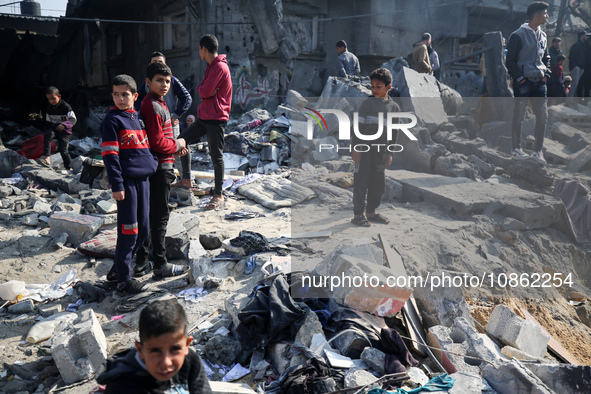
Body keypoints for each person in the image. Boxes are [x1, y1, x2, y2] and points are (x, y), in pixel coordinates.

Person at [101, 75, 157, 294]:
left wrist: (152, 163)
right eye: (116, 94)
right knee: (129, 229)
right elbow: (110, 155)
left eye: (125, 94)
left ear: (135, 96)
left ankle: (116, 270)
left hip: (144, 180)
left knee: (143, 228)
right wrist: (117, 185)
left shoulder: (138, 118)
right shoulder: (112, 120)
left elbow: (147, 147)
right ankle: (124, 280)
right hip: (126, 182)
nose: (120, 98)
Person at [136, 62, 189, 279]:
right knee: (159, 217)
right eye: (159, 80)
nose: (164, 84)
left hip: (164, 163)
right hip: (159, 167)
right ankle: (160, 264)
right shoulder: (151, 105)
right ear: (148, 82)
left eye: (167, 81)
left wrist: (176, 148)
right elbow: (158, 143)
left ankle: (145, 262)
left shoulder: (160, 103)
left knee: (155, 215)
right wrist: (178, 144)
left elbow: (163, 138)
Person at [97, 299, 212, 393]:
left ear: (187, 345)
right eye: (155, 351)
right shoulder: (124, 387)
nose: (166, 362)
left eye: (175, 349)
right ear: (140, 350)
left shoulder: (190, 361)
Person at [178, 34, 233, 210]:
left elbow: (205, 91)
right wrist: (206, 89)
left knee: (216, 156)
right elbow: (207, 90)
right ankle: (186, 179)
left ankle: (218, 195)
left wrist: (203, 88)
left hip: (216, 118)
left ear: (204, 49)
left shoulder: (219, 68)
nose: (199, 52)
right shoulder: (211, 66)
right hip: (205, 116)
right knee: (181, 140)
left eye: (199, 49)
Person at [351, 68, 400, 227]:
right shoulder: (367, 104)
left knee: (378, 183)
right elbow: (357, 128)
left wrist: (390, 153)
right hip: (364, 151)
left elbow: (394, 132)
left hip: (381, 152)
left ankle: (371, 212)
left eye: (378, 87)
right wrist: (356, 149)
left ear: (388, 87)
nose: (374, 90)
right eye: (372, 86)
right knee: (361, 182)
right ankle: (358, 214)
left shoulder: (394, 108)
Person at [135, 51, 193, 187]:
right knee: (162, 152)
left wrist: (176, 115)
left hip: (169, 122)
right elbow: (136, 99)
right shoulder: (147, 89)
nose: (163, 84)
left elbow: (187, 98)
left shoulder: (172, 80)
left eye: (160, 62)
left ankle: (186, 180)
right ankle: (165, 180)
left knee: (177, 153)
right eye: (154, 63)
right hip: (155, 121)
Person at [506, 1, 550, 165]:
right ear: (536, 16)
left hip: (540, 82)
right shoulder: (517, 35)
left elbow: (546, 57)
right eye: (545, 13)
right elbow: (510, 62)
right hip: (523, 83)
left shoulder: (543, 36)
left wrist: (547, 74)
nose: (547, 16)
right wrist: (520, 79)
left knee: (543, 117)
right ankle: (516, 149)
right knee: (519, 116)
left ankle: (538, 151)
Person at [39, 86, 76, 170]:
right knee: (48, 135)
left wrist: (64, 125)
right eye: (49, 99)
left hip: (65, 132)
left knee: (63, 151)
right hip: (54, 129)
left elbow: (73, 119)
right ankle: (47, 157)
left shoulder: (66, 107)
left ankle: (69, 167)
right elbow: (48, 122)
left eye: (53, 98)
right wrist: (46, 131)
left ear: (59, 96)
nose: (51, 101)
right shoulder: (49, 108)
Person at [568, 30, 587, 97]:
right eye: (585, 35)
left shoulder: (583, 45)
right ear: (581, 36)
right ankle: (569, 99)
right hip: (576, 67)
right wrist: (574, 66)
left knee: (577, 84)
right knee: (574, 83)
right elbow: (572, 56)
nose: (586, 37)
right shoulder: (576, 45)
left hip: (581, 67)